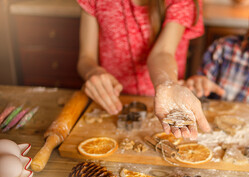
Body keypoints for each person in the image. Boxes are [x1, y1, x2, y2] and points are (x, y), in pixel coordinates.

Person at [77, 0, 211, 139]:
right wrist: (93, 72)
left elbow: (163, 52)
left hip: (165, 105)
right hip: (109, 102)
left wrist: (167, 84)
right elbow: (86, 58)